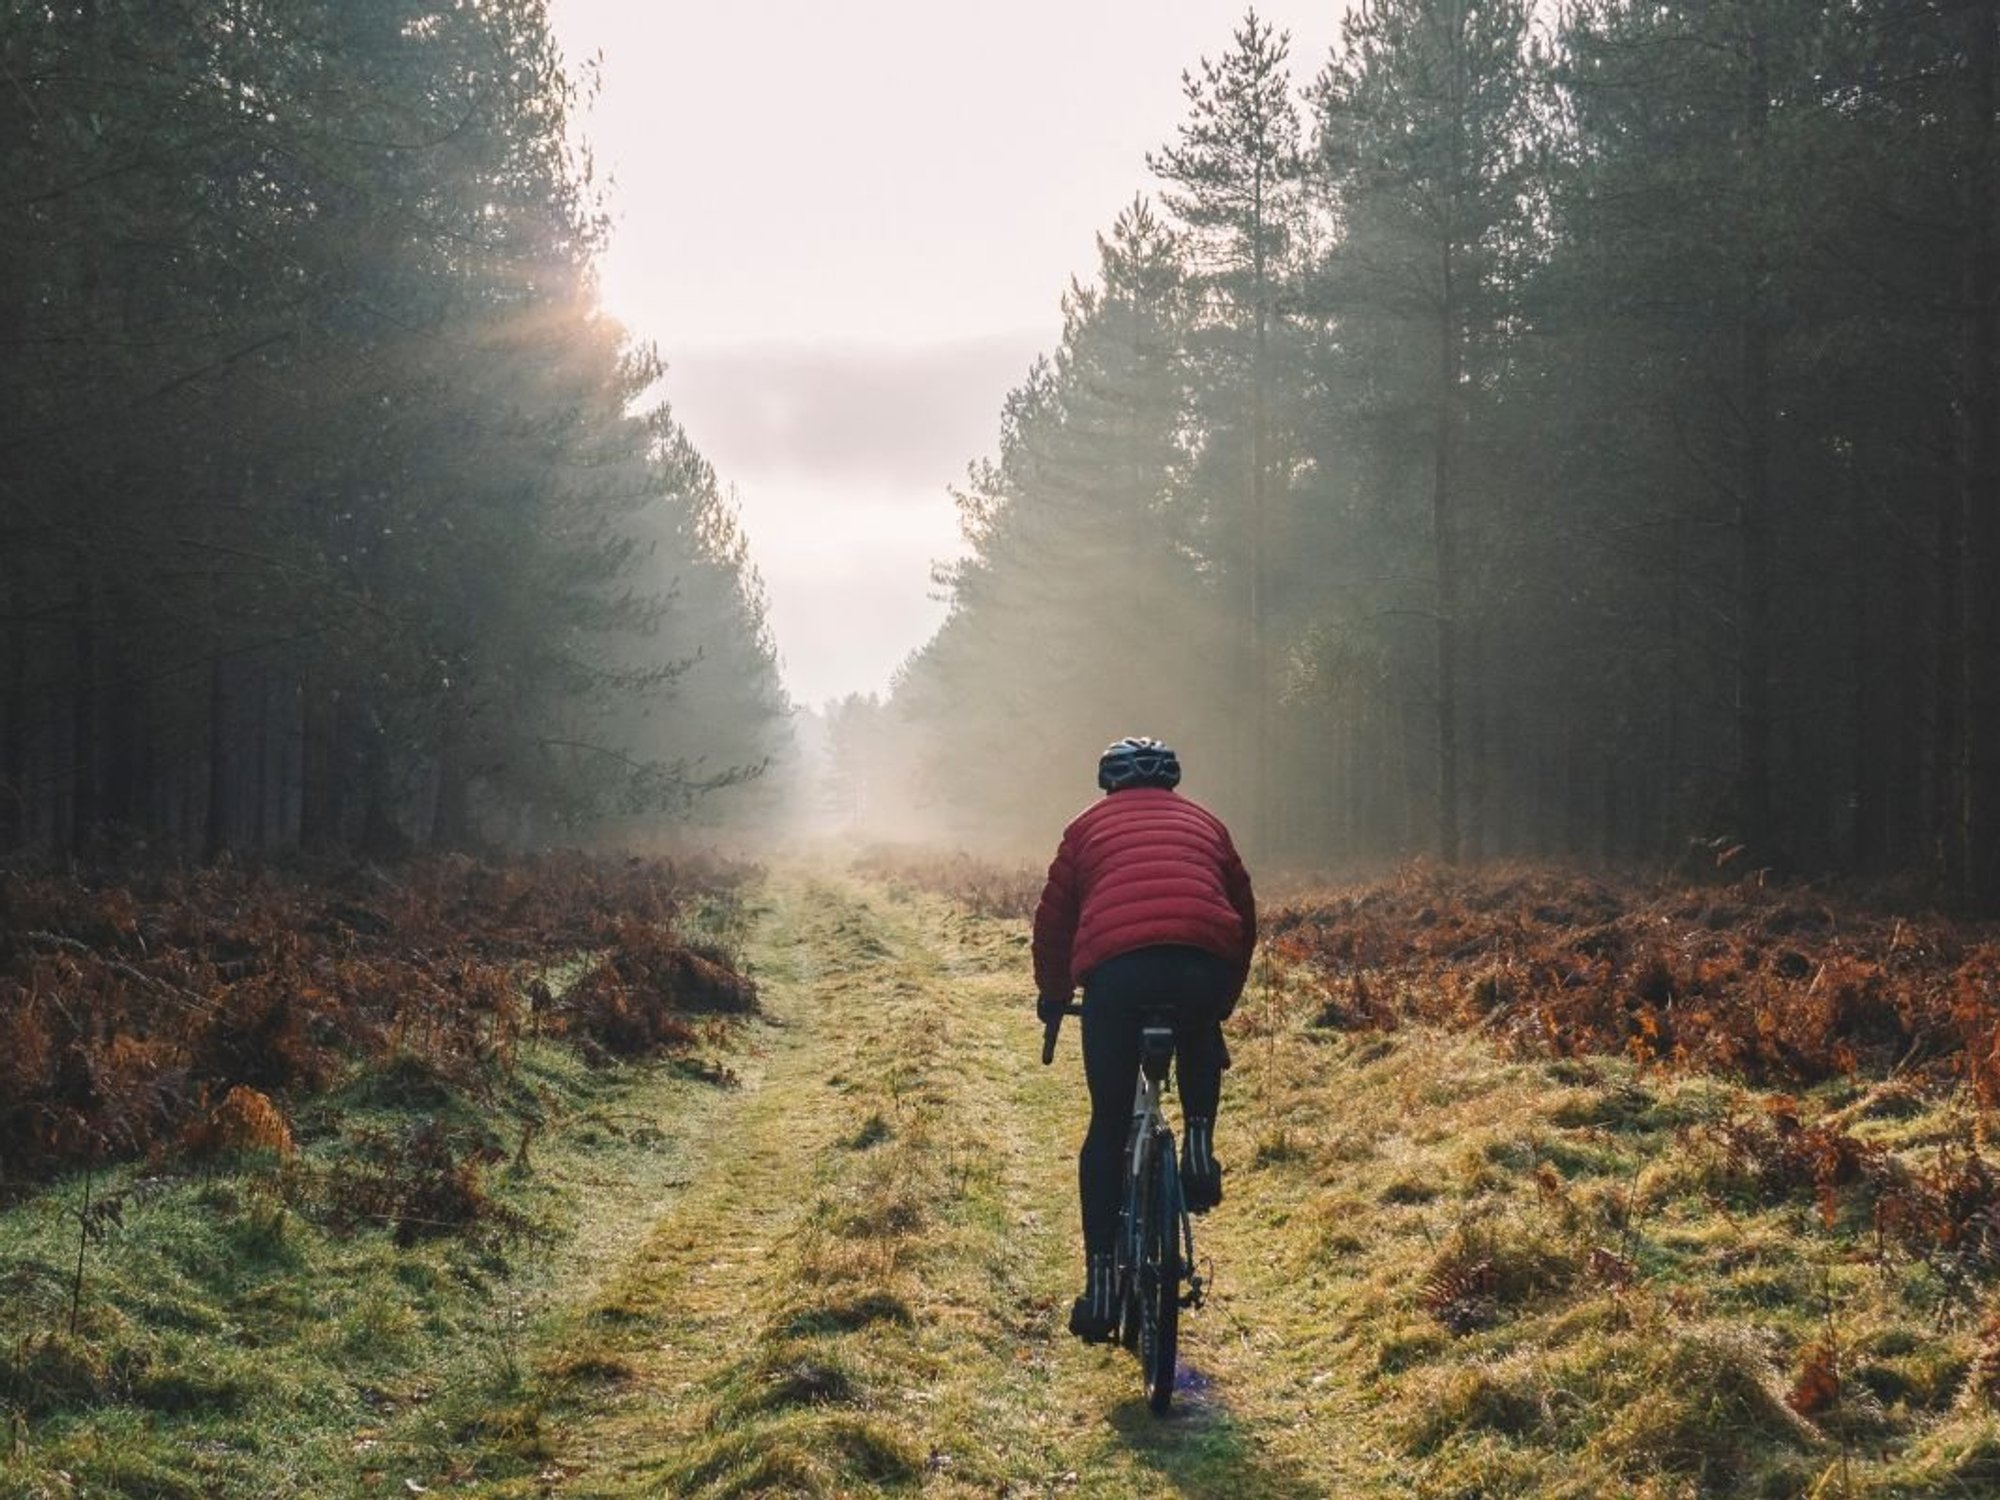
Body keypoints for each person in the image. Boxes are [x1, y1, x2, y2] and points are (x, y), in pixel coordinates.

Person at [1032, 735, 1256, 1343]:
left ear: (1109, 782)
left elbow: (1054, 921)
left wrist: (1054, 994)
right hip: (1201, 964)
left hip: (1119, 975)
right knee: (1199, 1025)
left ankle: (1102, 1287)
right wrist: (1221, 1000)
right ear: (1170, 781)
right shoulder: (1207, 824)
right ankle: (1200, 1146)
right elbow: (1243, 915)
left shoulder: (1085, 829)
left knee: (1108, 1126)